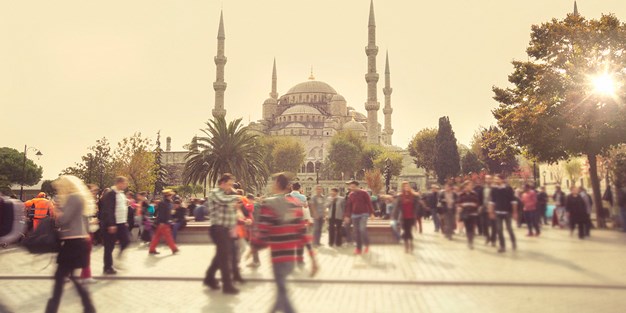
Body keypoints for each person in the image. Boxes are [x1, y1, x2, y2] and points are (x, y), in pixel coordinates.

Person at [253, 173, 318, 313]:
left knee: (282, 293)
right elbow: (303, 233)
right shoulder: (295, 205)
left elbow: (263, 232)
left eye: (272, 182)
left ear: (277, 184)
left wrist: (254, 245)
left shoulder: (269, 204)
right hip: (290, 258)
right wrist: (313, 258)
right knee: (280, 293)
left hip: (277, 257)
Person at [45, 176, 96, 313]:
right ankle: (89, 307)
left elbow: (64, 220)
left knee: (60, 276)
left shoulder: (74, 197)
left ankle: (52, 309)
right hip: (78, 241)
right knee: (72, 277)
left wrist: (57, 211)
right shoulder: (80, 198)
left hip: (73, 242)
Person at [203, 173, 240, 295]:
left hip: (226, 229)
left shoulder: (228, 195)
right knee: (224, 258)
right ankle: (227, 286)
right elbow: (222, 200)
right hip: (218, 229)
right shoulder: (215, 193)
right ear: (222, 183)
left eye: (232, 185)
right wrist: (238, 197)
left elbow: (231, 212)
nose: (230, 187)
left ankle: (209, 278)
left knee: (220, 255)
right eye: (229, 184)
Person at [99, 176, 131, 274]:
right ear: (119, 183)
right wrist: (111, 224)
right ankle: (107, 267)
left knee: (126, 241)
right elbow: (109, 210)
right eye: (124, 183)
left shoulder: (121, 194)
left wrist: (125, 221)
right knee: (109, 246)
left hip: (121, 223)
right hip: (112, 224)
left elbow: (121, 208)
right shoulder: (111, 194)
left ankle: (118, 259)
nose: (126, 185)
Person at [344, 180, 375, 255]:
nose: (351, 188)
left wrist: (372, 213)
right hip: (355, 215)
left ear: (357, 186)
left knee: (362, 229)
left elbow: (369, 203)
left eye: (353, 186)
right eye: (350, 186)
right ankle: (358, 248)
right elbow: (349, 206)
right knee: (356, 231)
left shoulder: (364, 193)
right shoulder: (351, 195)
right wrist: (347, 216)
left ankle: (367, 245)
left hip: (364, 214)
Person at [392, 182, 424, 253]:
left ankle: (407, 245)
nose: (406, 187)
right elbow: (396, 208)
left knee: (408, 231)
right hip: (403, 217)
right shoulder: (400, 196)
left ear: (409, 187)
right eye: (404, 186)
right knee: (406, 231)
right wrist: (394, 217)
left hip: (411, 216)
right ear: (402, 188)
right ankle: (409, 244)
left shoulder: (413, 196)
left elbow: (417, 206)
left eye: (407, 186)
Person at [489, 175, 518, 253]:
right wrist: (491, 212)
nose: (495, 180)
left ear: (502, 180)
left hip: (507, 212)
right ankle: (502, 246)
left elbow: (513, 201)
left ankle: (513, 242)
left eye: (497, 179)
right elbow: (492, 202)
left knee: (509, 229)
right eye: (495, 179)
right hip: (498, 213)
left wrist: (515, 212)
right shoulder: (494, 190)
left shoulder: (508, 189)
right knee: (499, 230)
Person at [79, 184, 100, 285]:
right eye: (93, 191)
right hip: (84, 231)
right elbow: (82, 217)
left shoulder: (89, 201)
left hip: (87, 231)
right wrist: (91, 221)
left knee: (84, 253)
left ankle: (84, 275)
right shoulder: (84, 201)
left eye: (95, 192)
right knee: (85, 253)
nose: (94, 194)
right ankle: (85, 276)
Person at [148, 189, 179, 255]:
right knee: (168, 236)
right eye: (170, 195)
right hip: (163, 222)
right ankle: (174, 249)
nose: (171, 196)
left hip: (163, 222)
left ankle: (152, 249)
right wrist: (162, 222)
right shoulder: (163, 203)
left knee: (157, 236)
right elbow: (161, 213)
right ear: (168, 195)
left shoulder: (168, 202)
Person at [458, 181, 480, 249]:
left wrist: (475, 208)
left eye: (471, 185)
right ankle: (469, 241)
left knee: (472, 228)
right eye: (468, 185)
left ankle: (471, 242)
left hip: (473, 214)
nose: (470, 187)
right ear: (465, 186)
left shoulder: (474, 194)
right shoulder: (461, 194)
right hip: (465, 214)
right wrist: (460, 208)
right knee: (468, 228)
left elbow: (477, 203)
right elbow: (459, 203)